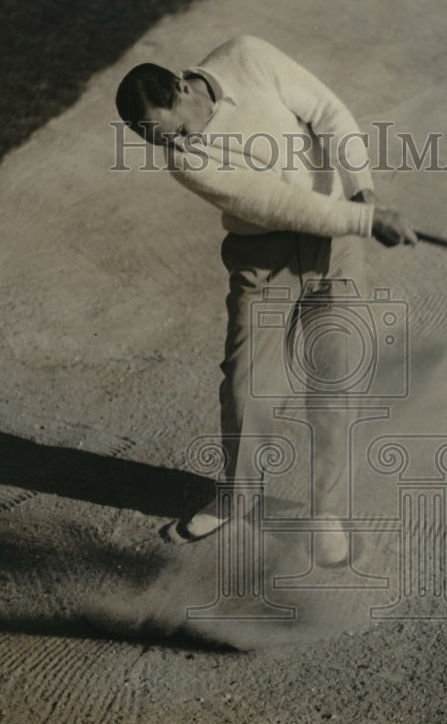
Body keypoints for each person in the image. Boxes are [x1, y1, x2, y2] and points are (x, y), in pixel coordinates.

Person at [115, 35, 418, 567]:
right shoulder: (184, 162)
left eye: (178, 130)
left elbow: (328, 111)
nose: (177, 144)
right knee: (246, 384)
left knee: (334, 378)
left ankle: (326, 511)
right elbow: (279, 205)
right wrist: (367, 220)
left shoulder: (246, 55)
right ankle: (237, 495)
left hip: (336, 243)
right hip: (263, 256)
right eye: (158, 140)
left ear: (184, 87)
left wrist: (363, 188)